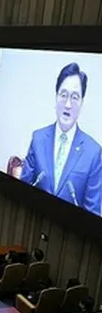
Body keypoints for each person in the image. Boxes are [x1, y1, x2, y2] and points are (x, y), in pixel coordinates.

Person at [20, 62, 102, 214]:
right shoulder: (38, 139)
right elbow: (20, 191)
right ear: (56, 97)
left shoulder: (94, 153)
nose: (68, 104)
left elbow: (93, 214)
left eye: (75, 97)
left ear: (82, 102)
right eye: (63, 95)